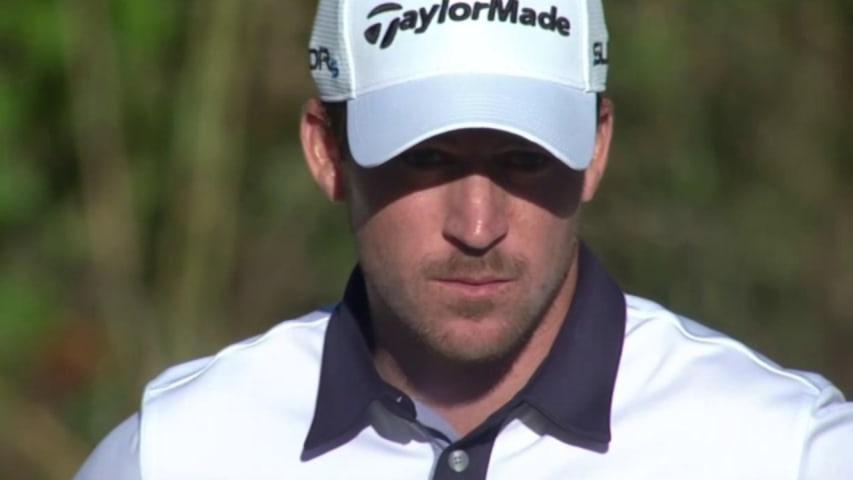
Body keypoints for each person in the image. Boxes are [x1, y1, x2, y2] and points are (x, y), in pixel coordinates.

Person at [75, 0, 853, 478]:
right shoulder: (175, 456)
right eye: (425, 159)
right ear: (325, 151)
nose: (477, 226)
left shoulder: (785, 454)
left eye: (523, 159)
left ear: (597, 146)